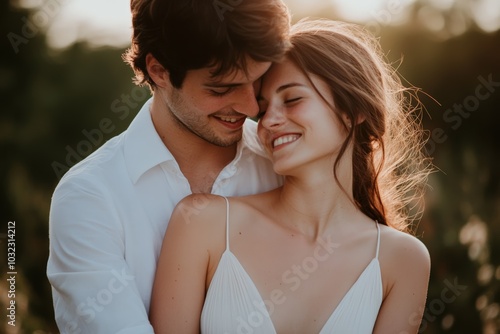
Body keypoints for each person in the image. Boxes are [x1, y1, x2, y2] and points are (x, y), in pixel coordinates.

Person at [150, 19, 432, 333]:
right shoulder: (203, 223)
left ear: (353, 110)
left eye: (293, 99)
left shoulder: (403, 260)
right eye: (262, 109)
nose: (269, 121)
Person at [46, 0, 291, 333]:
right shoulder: (90, 197)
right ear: (159, 71)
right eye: (222, 89)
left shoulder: (285, 164)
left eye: (258, 81)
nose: (250, 106)